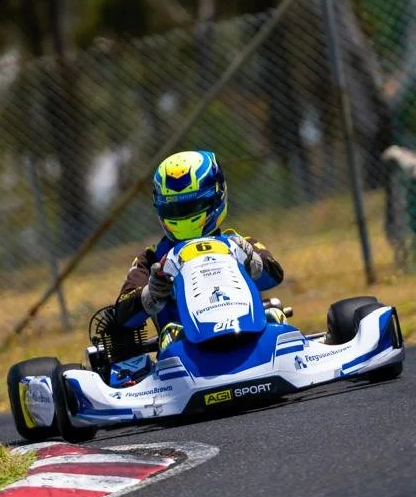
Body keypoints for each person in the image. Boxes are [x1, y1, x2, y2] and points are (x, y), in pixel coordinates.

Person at [107, 150, 284, 354]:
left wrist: (253, 263)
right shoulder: (151, 259)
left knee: (274, 315)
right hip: (184, 350)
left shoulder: (238, 244)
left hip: (251, 337)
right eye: (176, 210)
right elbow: (122, 313)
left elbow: (275, 275)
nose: (183, 216)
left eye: (193, 206)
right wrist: (152, 293)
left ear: (217, 197)